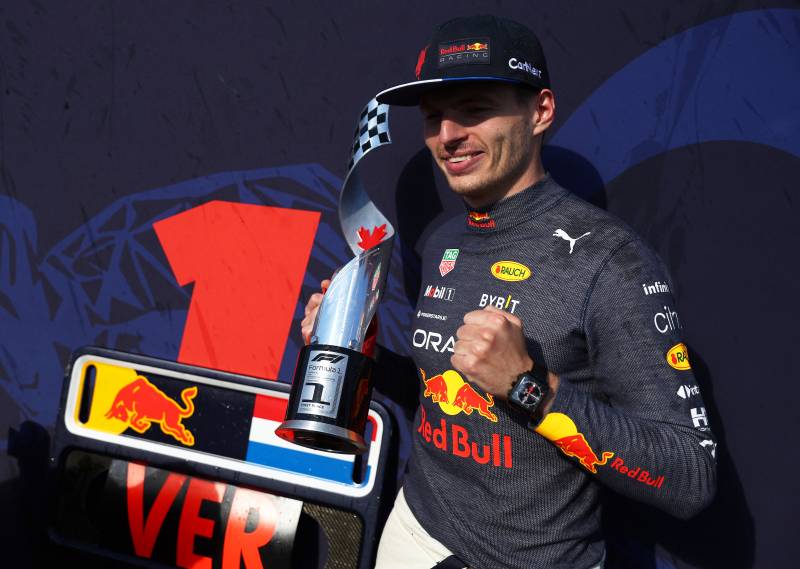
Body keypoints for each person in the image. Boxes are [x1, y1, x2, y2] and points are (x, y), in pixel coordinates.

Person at [302, 14, 716, 569]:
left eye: (473, 110)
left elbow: (688, 475)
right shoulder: (444, 238)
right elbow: (443, 393)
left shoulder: (611, 262)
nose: (448, 136)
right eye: (433, 118)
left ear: (540, 111)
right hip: (413, 532)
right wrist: (357, 354)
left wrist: (529, 388)